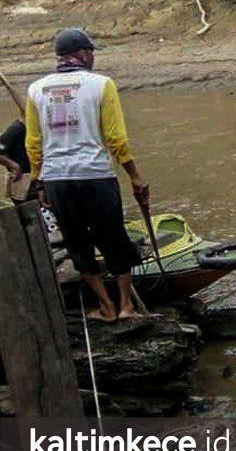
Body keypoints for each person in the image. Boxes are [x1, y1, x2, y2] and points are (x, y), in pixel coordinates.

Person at [25, 28, 149, 321]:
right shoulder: (101, 85)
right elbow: (116, 137)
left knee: (76, 242)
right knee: (113, 237)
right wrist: (134, 175)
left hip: (57, 179)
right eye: (91, 52)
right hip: (96, 175)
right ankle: (126, 307)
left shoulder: (35, 89)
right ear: (82, 54)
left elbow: (34, 144)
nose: (93, 57)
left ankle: (105, 307)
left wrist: (37, 181)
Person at [0, 117, 31, 203]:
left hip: (38, 179)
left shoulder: (35, 126)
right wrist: (13, 165)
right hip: (22, 181)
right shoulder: (16, 129)